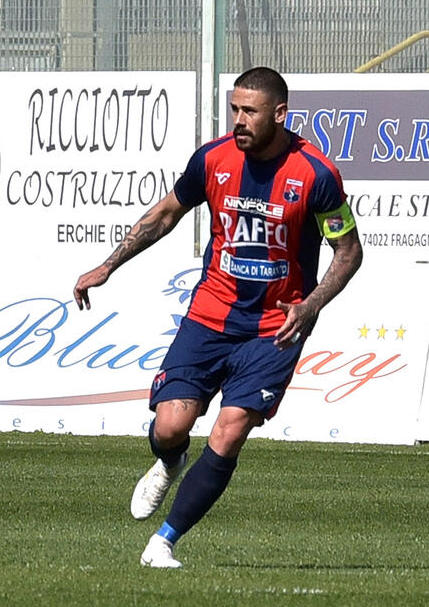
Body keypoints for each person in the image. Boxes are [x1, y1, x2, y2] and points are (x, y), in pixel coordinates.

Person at [73, 67, 363, 568]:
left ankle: (164, 541)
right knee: (170, 426)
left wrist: (310, 305)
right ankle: (170, 459)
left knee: (229, 430)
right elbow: (166, 214)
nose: (239, 120)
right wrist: (108, 265)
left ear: (279, 114)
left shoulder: (316, 174)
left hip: (275, 328)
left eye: (250, 111)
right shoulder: (212, 159)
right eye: (234, 109)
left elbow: (349, 251)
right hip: (210, 314)